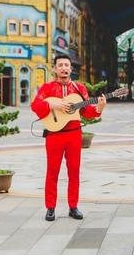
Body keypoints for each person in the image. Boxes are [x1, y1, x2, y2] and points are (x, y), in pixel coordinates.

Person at [31, 54, 107, 222]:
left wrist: (99, 108)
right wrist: (53, 104)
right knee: (52, 172)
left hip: (74, 134)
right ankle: (50, 207)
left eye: (67, 65)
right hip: (54, 135)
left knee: (74, 171)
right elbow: (35, 105)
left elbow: (86, 112)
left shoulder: (79, 88)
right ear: (55, 69)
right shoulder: (47, 88)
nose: (64, 68)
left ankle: (73, 206)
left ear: (71, 69)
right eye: (60, 65)